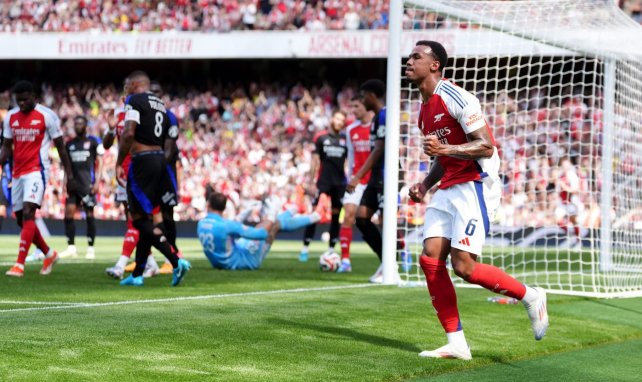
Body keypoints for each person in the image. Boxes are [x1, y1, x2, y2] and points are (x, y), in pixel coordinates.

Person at [405, 40, 548, 360]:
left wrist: (445, 150)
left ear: (434, 65)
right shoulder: (423, 111)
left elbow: (485, 146)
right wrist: (426, 184)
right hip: (449, 186)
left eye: (417, 57)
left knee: (464, 267)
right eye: (409, 56)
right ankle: (457, 343)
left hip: (475, 184)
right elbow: (443, 157)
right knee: (430, 260)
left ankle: (531, 296)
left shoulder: (455, 95)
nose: (409, 61)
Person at [116, 71, 190, 287]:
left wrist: (119, 162)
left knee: (138, 219)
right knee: (148, 219)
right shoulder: (161, 106)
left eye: (128, 84)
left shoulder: (134, 100)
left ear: (137, 84)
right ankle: (138, 273)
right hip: (159, 161)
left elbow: (129, 133)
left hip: (142, 160)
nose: (126, 89)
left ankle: (176, 261)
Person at [0, 80, 76, 277]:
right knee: (21, 220)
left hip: (37, 171)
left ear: (34, 97)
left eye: (25, 100)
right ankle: (49, 253)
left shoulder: (47, 116)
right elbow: (7, 147)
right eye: (19, 101)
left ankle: (19, 264)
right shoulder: (10, 117)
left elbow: (61, 147)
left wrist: (69, 175)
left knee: (27, 213)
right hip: (17, 174)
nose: (22, 104)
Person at [103, 80, 160, 279]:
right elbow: (106, 145)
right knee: (135, 220)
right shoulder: (119, 116)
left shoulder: (144, 114)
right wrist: (111, 129)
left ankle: (121, 265)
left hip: (138, 172)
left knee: (136, 221)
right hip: (123, 175)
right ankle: (151, 264)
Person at [198, 193, 322, 270]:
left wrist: (241, 217)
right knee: (274, 225)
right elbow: (262, 234)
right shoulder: (227, 225)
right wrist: (272, 214)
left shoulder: (201, 223)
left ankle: (295, 209)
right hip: (243, 261)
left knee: (266, 224)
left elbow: (228, 235)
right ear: (224, 207)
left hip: (222, 260)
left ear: (208, 205)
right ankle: (314, 216)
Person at [346, 79, 386, 283]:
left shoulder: (385, 115)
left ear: (372, 95)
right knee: (361, 218)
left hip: (386, 175)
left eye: (363, 97)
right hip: (377, 176)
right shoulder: (377, 118)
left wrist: (357, 176)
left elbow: (379, 150)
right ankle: (386, 262)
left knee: (387, 222)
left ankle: (393, 262)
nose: (361, 101)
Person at [299, 110, 347, 262]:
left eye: (342, 120)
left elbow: (348, 162)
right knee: (314, 214)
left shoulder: (345, 139)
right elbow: (315, 160)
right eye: (338, 118)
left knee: (335, 215)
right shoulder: (321, 137)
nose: (340, 122)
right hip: (323, 182)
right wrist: (312, 182)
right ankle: (305, 248)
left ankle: (331, 250)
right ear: (332, 119)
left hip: (340, 183)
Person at [337, 96, 373, 273]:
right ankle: (345, 260)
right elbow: (351, 157)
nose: (354, 110)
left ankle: (402, 250)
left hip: (375, 180)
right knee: (348, 215)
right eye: (352, 107)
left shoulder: (377, 127)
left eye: (357, 106)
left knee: (385, 219)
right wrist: (351, 177)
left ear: (366, 106)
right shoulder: (351, 130)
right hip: (357, 180)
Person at [59, 115, 104, 259]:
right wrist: (64, 182)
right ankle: (71, 247)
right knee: (68, 215)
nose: (78, 125)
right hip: (73, 185)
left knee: (90, 216)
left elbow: (100, 162)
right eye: (76, 123)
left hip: (87, 185)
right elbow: (67, 166)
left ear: (86, 125)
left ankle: (91, 248)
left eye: (80, 123)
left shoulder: (92, 142)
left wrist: (97, 182)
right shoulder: (69, 144)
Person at [150, 80, 182, 275]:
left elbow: (170, 151)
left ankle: (174, 255)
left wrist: (154, 168)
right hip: (148, 174)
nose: (154, 95)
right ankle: (147, 260)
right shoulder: (144, 117)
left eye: (157, 92)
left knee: (167, 216)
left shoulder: (170, 117)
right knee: (145, 217)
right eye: (150, 92)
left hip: (165, 175)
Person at [557, 158, 583, 250]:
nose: (565, 167)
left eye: (566, 165)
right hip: (562, 203)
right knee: (558, 220)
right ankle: (571, 234)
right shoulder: (560, 176)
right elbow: (558, 190)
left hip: (571, 202)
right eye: (563, 165)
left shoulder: (572, 176)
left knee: (574, 222)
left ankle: (578, 242)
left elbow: (575, 190)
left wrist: (565, 187)